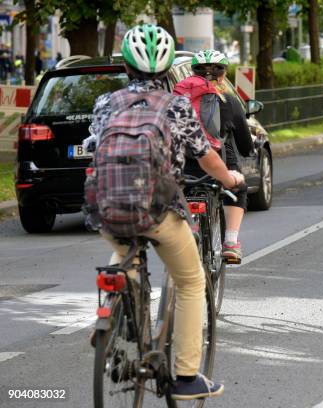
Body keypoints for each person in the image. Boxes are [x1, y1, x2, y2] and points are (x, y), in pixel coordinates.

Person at [85, 24, 244, 400]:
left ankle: (113, 311)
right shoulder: (174, 105)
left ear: (126, 67)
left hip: (106, 206)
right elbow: (207, 158)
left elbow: (91, 147)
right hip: (158, 209)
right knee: (190, 282)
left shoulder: (106, 103)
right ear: (169, 67)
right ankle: (187, 376)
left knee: (124, 251)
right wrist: (233, 178)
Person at [175, 49, 255, 263]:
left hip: (184, 167)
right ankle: (230, 243)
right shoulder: (228, 100)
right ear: (223, 75)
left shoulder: (178, 99)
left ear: (192, 72)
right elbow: (245, 144)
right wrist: (248, 151)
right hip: (219, 165)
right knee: (238, 187)